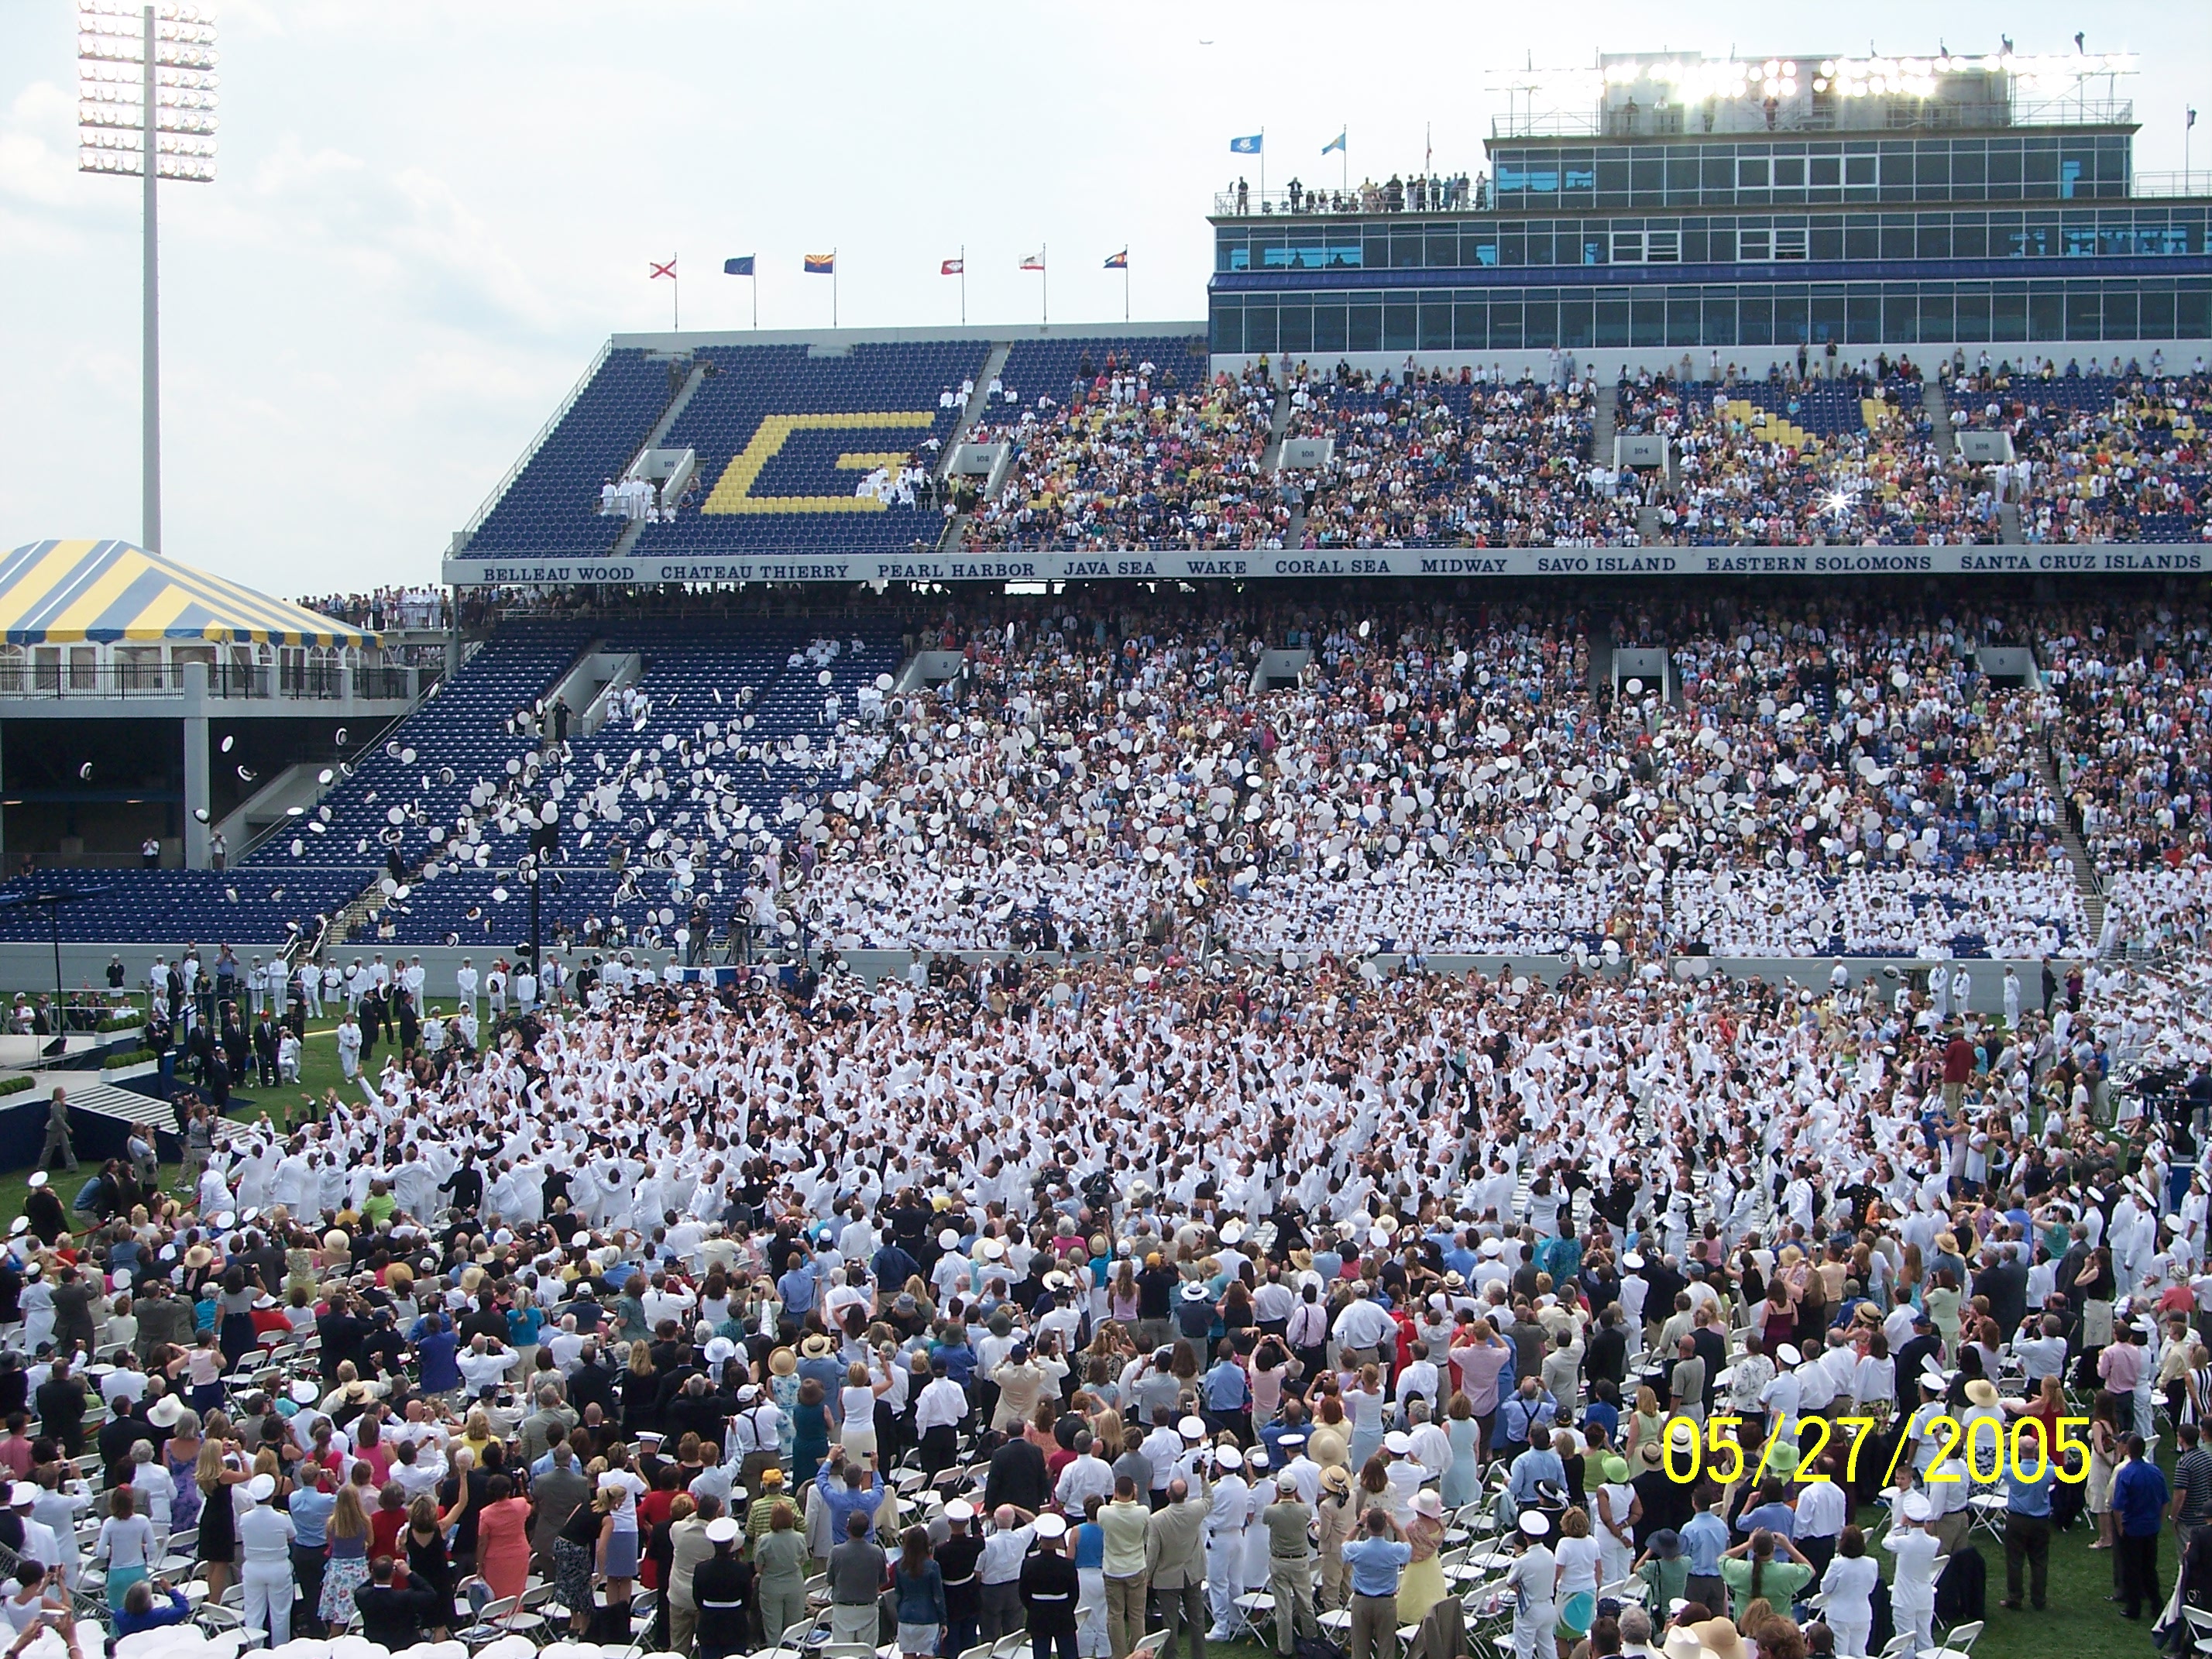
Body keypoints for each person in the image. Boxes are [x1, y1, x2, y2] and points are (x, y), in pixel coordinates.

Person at [1343, 1506, 1413, 1659]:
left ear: (1367, 1526)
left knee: (1359, 1650)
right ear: (1385, 1525)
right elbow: (1408, 1547)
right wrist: (1395, 1525)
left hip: (1361, 1601)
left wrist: (1359, 1524)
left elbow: (1345, 1543)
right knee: (1386, 1650)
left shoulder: (1358, 1548)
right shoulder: (1394, 1550)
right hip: (1386, 1603)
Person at [2114, 1432, 2170, 1620]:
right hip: (2151, 1527)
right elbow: (2164, 1500)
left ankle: (2134, 1608)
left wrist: (2121, 1529)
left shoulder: (2126, 1473)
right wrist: (2159, 1521)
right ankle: (2156, 1604)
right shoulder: (2156, 1471)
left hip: (2133, 1528)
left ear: (2128, 1451)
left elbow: (2118, 1506)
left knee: (2132, 1569)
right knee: (2149, 1568)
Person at [236, 1471, 297, 1647]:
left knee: (253, 1613)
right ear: (272, 1495)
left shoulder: (245, 1517)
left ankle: (254, 1651)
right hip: (278, 1567)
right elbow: (292, 1536)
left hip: (253, 1568)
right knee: (280, 1614)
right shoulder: (282, 1517)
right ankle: (280, 1650)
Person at [1262, 1471, 1317, 1655]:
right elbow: (1306, 1508)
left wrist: (1277, 1497)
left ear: (1278, 1489)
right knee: (1306, 1604)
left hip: (1279, 1561)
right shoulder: (1305, 1510)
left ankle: (1285, 1648)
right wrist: (1297, 1495)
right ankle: (1311, 1642)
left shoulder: (1271, 1511)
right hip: (1300, 1561)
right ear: (1295, 1489)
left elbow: (1266, 1518)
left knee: (1283, 1608)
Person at [1020, 1512, 1082, 1659]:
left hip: (1038, 1613)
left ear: (1040, 1539)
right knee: (1068, 1654)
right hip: (1063, 1613)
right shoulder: (1067, 1565)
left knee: (1041, 1654)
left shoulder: (1029, 1564)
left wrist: (1034, 1606)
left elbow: (1023, 1592)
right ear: (1058, 1540)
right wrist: (1066, 1607)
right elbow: (1074, 1593)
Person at [692, 1516, 754, 1659]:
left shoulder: (701, 1568)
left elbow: (697, 1597)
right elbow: (747, 1598)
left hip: (709, 1622)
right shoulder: (742, 1569)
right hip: (735, 1622)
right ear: (732, 1544)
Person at [1815, 1527, 1877, 1658]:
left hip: (1839, 1615)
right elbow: (1871, 1588)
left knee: (1841, 1655)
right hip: (1862, 1614)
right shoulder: (1872, 1563)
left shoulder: (1836, 1564)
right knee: (1859, 1653)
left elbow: (1825, 1588)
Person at [1502, 1510, 1554, 1659]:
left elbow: (1509, 1581)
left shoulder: (1522, 1560)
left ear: (1525, 1536)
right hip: (1548, 1606)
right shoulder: (1550, 1554)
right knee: (1548, 1650)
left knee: (1524, 1652)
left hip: (1530, 1609)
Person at [893, 1522, 948, 1659]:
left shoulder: (899, 1565)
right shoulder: (933, 1566)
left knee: (907, 1655)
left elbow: (898, 1595)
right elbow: (938, 1597)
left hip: (906, 1616)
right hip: (928, 1617)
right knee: (927, 1655)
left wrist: (900, 1612)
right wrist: (943, 1621)